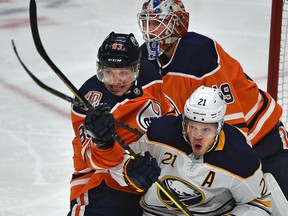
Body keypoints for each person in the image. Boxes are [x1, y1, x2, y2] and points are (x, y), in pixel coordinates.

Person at [137, 0, 288, 199]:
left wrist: (226, 168)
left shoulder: (201, 54)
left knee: (278, 202)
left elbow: (233, 126)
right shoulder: (143, 58)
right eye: (147, 23)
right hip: (206, 139)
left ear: (178, 23)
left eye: (158, 23)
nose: (151, 30)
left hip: (262, 138)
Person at [106, 86, 271, 215]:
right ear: (184, 122)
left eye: (206, 130)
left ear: (220, 127)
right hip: (153, 212)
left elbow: (261, 204)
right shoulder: (161, 134)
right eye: (192, 127)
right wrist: (128, 171)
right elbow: (118, 164)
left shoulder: (240, 158)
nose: (197, 136)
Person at [67, 32, 176, 216]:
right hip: (101, 184)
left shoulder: (150, 78)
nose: (115, 82)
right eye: (108, 73)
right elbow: (92, 160)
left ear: (136, 69)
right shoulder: (88, 100)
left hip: (151, 176)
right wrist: (103, 141)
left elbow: (170, 114)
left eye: (123, 74)